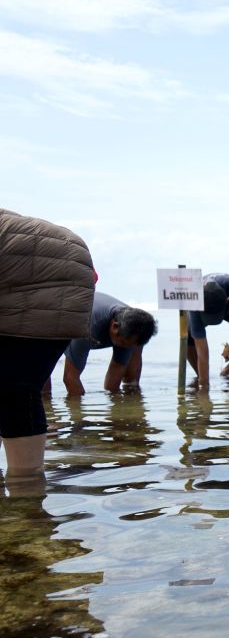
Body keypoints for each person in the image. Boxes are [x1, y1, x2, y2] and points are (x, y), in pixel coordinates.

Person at [0, 208, 95, 492]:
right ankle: (27, 494)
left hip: (45, 281)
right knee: (19, 391)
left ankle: (25, 494)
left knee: (15, 391)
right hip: (71, 269)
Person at [57, 292, 157, 396]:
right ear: (114, 326)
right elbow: (70, 378)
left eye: (129, 345)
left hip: (97, 319)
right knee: (41, 379)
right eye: (123, 343)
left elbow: (117, 370)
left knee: (134, 353)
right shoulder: (88, 327)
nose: (126, 347)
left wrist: (117, 406)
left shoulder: (135, 324)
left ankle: (132, 394)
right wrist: (79, 410)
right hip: (59, 319)